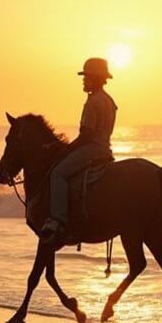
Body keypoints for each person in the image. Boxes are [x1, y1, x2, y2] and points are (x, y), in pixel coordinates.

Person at [40, 57, 117, 244]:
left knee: (58, 173)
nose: (84, 80)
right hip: (105, 150)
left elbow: (87, 135)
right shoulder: (109, 100)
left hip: (92, 149)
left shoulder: (92, 102)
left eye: (87, 77)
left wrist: (67, 149)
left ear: (96, 78)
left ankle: (58, 220)